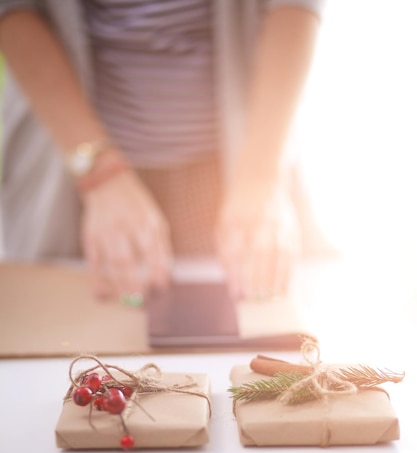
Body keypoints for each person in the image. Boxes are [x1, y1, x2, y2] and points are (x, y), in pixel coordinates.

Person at [0, 0, 325, 301]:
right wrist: (100, 173)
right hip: (71, 176)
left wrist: (260, 175)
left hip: (229, 176)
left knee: (267, 310)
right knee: (68, 322)